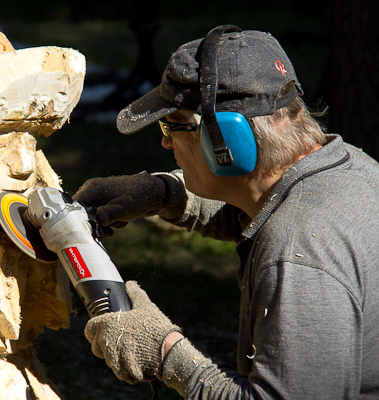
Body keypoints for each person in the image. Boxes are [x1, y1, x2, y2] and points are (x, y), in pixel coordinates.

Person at [73, 25, 379, 399]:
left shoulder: (298, 253)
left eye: (173, 126)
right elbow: (258, 207)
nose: (166, 141)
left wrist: (166, 351)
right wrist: (164, 193)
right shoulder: (352, 169)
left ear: (226, 145)